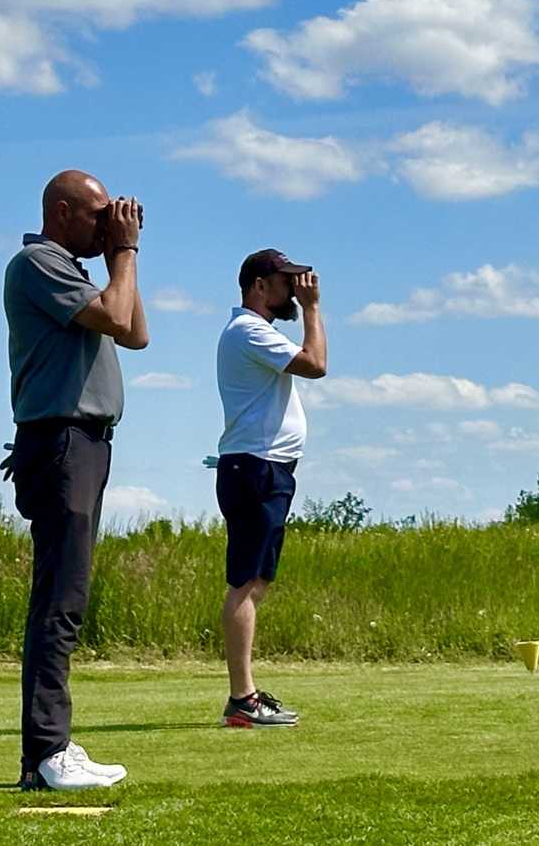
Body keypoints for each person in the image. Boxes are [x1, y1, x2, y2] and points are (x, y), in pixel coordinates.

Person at [2, 170, 147, 791]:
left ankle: (50, 750)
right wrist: (126, 252)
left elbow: (135, 332)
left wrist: (118, 256)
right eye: (96, 215)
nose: (106, 223)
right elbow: (119, 317)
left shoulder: (78, 270)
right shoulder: (37, 262)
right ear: (62, 212)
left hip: (82, 443)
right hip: (63, 440)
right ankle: (46, 754)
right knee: (61, 601)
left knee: (65, 598)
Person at [214, 248, 326, 728]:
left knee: (255, 581)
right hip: (256, 468)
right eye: (285, 282)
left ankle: (246, 696)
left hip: (265, 468)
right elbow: (316, 363)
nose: (294, 291)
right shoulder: (249, 331)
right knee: (245, 583)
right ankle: (242, 699)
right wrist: (315, 310)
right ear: (260, 285)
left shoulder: (257, 333)